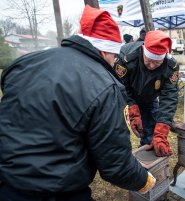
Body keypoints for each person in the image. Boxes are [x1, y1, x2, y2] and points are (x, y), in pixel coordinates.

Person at [0, 5, 156, 201]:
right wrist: (145, 181)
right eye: (114, 56)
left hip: (8, 184)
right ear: (104, 51)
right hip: (58, 191)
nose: (114, 61)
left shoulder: (26, 63)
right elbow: (116, 165)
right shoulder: (105, 85)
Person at [114, 30, 179, 157]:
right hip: (125, 98)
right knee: (120, 131)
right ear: (143, 51)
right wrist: (132, 111)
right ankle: (123, 158)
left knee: (151, 129)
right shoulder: (126, 59)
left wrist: (161, 133)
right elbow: (122, 87)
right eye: (148, 61)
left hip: (149, 97)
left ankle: (147, 155)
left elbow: (169, 98)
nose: (152, 66)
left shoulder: (171, 67)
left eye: (157, 62)